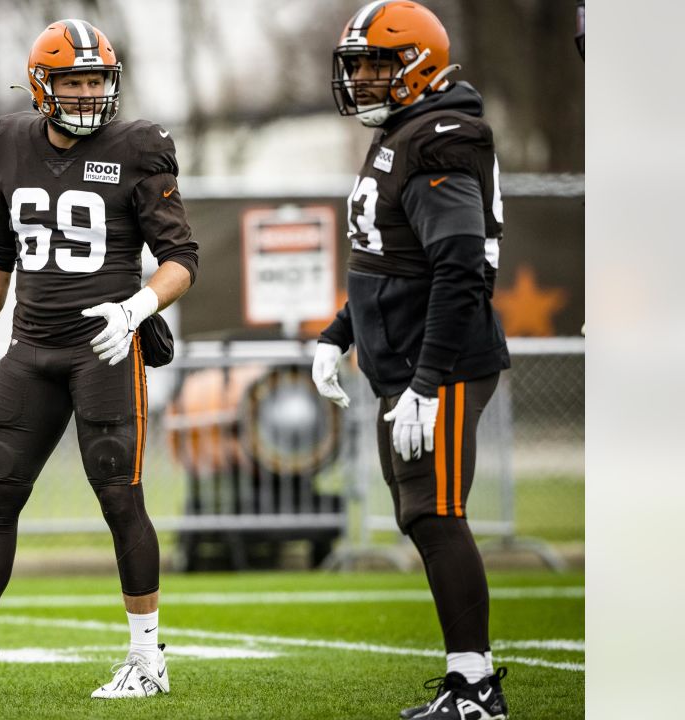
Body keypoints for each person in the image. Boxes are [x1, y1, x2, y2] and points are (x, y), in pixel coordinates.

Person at [0, 19, 198, 700]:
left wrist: (134, 310)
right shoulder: (7, 143)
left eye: (96, 80)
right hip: (30, 347)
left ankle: (147, 660)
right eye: (73, 81)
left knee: (120, 497)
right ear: (41, 86)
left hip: (104, 349)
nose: (87, 94)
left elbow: (181, 260)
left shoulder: (140, 146)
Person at [312, 2, 511, 718]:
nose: (362, 78)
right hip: (405, 364)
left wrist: (428, 383)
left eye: (376, 64)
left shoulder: (441, 137)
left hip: (443, 362)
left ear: (419, 63)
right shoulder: (404, 130)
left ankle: (476, 687)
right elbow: (386, 257)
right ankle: (469, 679)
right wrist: (339, 332)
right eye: (356, 65)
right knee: (420, 514)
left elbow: (458, 270)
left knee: (437, 511)